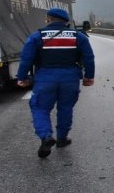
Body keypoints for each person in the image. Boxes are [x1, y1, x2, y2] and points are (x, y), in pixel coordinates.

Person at [16, 8, 95, 158]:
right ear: (66, 22)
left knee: (40, 108)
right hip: (70, 78)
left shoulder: (37, 36)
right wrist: (89, 77)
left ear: (48, 19)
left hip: (45, 78)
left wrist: (22, 78)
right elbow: (89, 58)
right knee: (66, 108)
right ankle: (62, 139)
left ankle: (46, 136)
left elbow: (26, 59)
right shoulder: (79, 37)